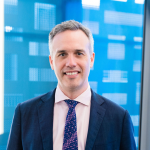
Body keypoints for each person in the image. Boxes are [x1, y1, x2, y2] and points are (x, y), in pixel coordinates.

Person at [7, 20, 136, 150]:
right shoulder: (25, 113)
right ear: (52, 61)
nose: (71, 63)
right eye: (62, 54)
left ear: (91, 59)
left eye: (79, 53)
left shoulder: (119, 118)